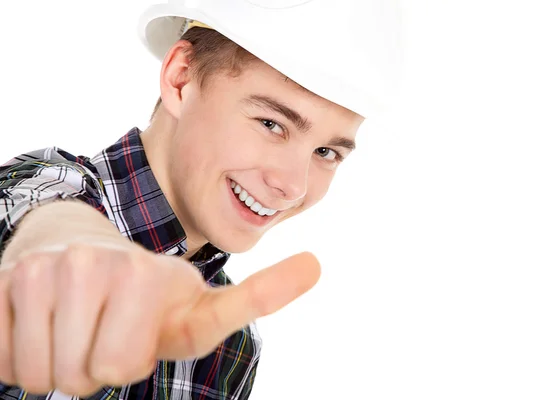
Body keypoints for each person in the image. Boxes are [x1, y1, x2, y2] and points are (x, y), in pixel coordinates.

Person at [0, 0, 398, 398]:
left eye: (326, 153)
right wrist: (71, 252)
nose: (293, 185)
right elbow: (45, 214)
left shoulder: (231, 343)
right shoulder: (50, 190)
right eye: (271, 124)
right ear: (180, 79)